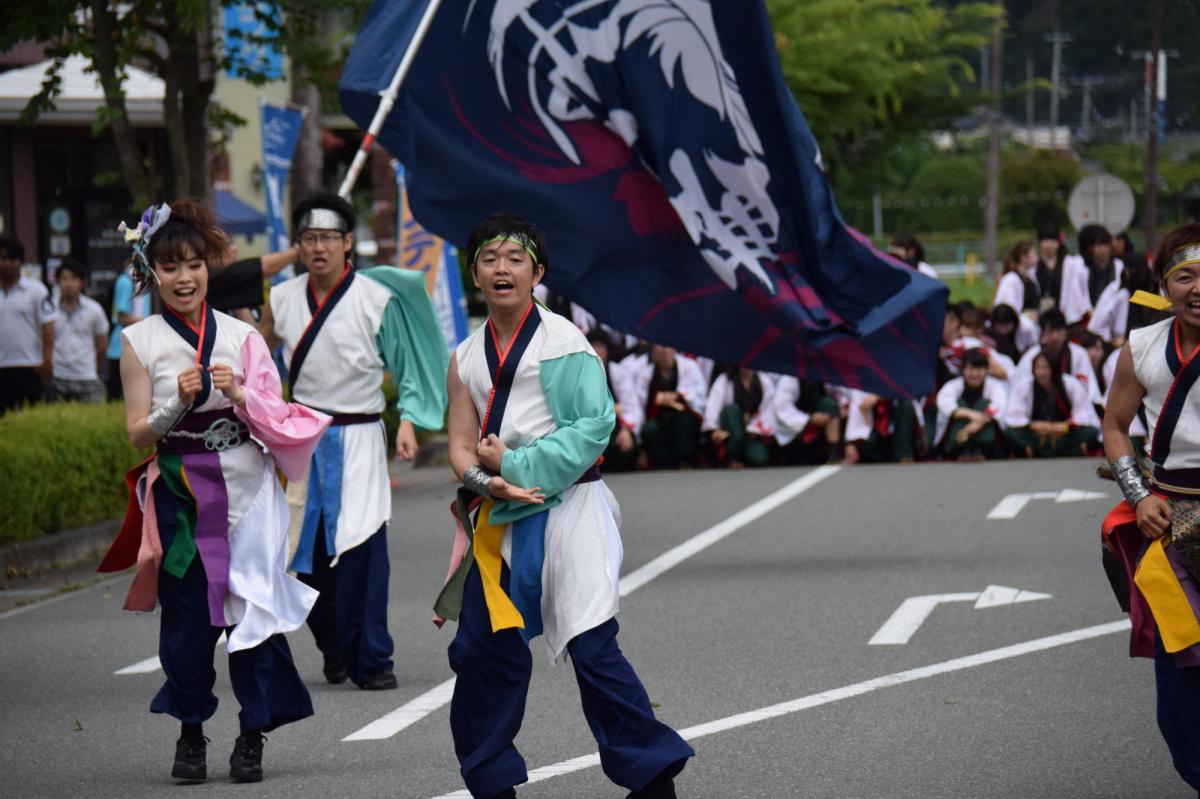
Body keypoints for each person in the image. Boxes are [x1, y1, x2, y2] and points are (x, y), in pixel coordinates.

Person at [435, 212, 693, 799]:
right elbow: (457, 443)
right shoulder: (465, 356)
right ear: (474, 271)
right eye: (490, 258)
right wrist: (485, 481)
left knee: (592, 646)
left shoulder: (564, 343)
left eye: (515, 258)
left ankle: (651, 779)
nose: (502, 269)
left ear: (537, 273)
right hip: (500, 516)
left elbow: (594, 427)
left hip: (572, 507)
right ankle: (492, 783)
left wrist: (515, 465)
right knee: (479, 652)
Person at [96, 200, 331, 783]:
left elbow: (281, 416)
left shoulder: (242, 336)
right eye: (170, 266)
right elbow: (134, 433)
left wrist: (244, 396)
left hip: (247, 490)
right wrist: (175, 401)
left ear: (209, 269)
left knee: (252, 610)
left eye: (194, 265)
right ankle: (191, 731)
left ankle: (252, 735)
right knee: (187, 620)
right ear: (150, 272)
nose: (184, 277)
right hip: (179, 491)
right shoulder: (139, 340)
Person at [261, 191, 447, 690]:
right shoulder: (280, 299)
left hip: (361, 435)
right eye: (308, 238)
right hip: (302, 439)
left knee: (363, 550)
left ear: (348, 243)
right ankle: (332, 645)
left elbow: (405, 367)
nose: (317, 247)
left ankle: (373, 659)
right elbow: (258, 364)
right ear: (297, 245)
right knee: (305, 554)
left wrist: (408, 420)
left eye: (327, 237)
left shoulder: (374, 298)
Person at [1100, 222, 1200, 795]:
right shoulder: (1140, 348)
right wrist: (1138, 495)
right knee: (1181, 681)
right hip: (1168, 521)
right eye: (1184, 275)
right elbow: (1115, 427)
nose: (1197, 287)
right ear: (1165, 287)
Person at [1003, 351, 1099, 457]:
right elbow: (1015, 415)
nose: (1041, 372)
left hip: (1064, 431)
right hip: (1037, 433)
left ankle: (1039, 451)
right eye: (1037, 367)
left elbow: (1082, 413)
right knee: (1010, 433)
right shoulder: (1025, 386)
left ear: (1054, 368)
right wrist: (1033, 425)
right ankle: (1068, 451)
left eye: (1045, 367)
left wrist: (1065, 426)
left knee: (1091, 432)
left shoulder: (1070, 384)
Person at [0, 235, 54, 413]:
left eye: (11, 259)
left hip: (29, 366)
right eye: (2, 259)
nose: (6, 264)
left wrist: (47, 360)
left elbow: (47, 327)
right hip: (1, 366)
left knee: (31, 419)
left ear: (20, 262)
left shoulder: (36, 290)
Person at [632, 344, 708, 469]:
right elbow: (638, 404)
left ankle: (685, 459)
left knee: (685, 420)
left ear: (674, 350)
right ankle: (665, 463)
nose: (664, 352)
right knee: (649, 429)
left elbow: (699, 397)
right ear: (654, 351)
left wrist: (677, 396)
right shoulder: (646, 374)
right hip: (658, 418)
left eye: (667, 348)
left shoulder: (689, 367)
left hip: (681, 417)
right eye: (660, 348)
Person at [47, 259, 109, 403]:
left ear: (81, 283)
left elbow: (102, 344)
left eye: (73, 279)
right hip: (57, 377)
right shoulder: (49, 308)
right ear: (57, 282)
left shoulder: (94, 309)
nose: (68, 284)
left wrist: (93, 365)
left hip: (87, 377)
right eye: (64, 279)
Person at [1015, 309, 1101, 404]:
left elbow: (1089, 390)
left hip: (1073, 408)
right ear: (1043, 333)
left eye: (1059, 331)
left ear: (1065, 332)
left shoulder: (1079, 354)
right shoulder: (1031, 357)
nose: (1055, 336)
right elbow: (1021, 390)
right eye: (1051, 331)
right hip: (1039, 409)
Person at [934, 348, 1007, 460]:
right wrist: (970, 415)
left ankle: (981, 448)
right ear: (963, 370)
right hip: (959, 432)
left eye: (979, 369)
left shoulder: (995, 386)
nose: (974, 374)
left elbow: (998, 405)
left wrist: (976, 424)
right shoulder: (952, 385)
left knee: (983, 404)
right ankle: (960, 449)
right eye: (970, 369)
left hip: (983, 429)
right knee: (960, 404)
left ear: (986, 370)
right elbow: (946, 405)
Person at [587, 328, 639, 472]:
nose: (597, 350)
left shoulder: (619, 373)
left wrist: (626, 430)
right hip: (590, 430)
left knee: (626, 445)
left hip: (616, 428)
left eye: (600, 346)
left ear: (607, 349)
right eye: (593, 346)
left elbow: (631, 407)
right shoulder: (579, 375)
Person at [703, 366, 776, 467]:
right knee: (732, 410)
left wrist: (755, 428)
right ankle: (730, 457)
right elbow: (713, 405)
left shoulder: (764, 381)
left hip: (752, 433)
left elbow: (768, 410)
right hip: (731, 430)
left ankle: (745, 458)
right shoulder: (725, 379)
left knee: (759, 458)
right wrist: (713, 428)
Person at [106, 261, 153, 400]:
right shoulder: (125, 281)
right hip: (121, 348)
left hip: (142, 346)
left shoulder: (146, 280)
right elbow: (122, 318)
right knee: (117, 396)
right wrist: (151, 322)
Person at [772, 376, 841, 464]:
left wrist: (841, 407)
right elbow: (782, 407)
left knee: (830, 405)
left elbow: (839, 392)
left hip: (819, 420)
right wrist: (809, 419)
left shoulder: (822, 374)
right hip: (795, 427)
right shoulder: (789, 379)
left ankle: (834, 454)